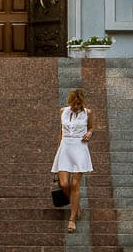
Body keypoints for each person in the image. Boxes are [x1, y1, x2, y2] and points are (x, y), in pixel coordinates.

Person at [51, 88, 93, 233]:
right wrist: (58, 152)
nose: (76, 107)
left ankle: (72, 218)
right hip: (65, 148)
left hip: (80, 148)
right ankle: (77, 206)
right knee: (63, 184)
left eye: (78, 104)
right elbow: (61, 132)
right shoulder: (63, 111)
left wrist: (89, 133)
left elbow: (91, 127)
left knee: (75, 184)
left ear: (82, 103)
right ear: (70, 102)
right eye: (74, 104)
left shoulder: (87, 112)